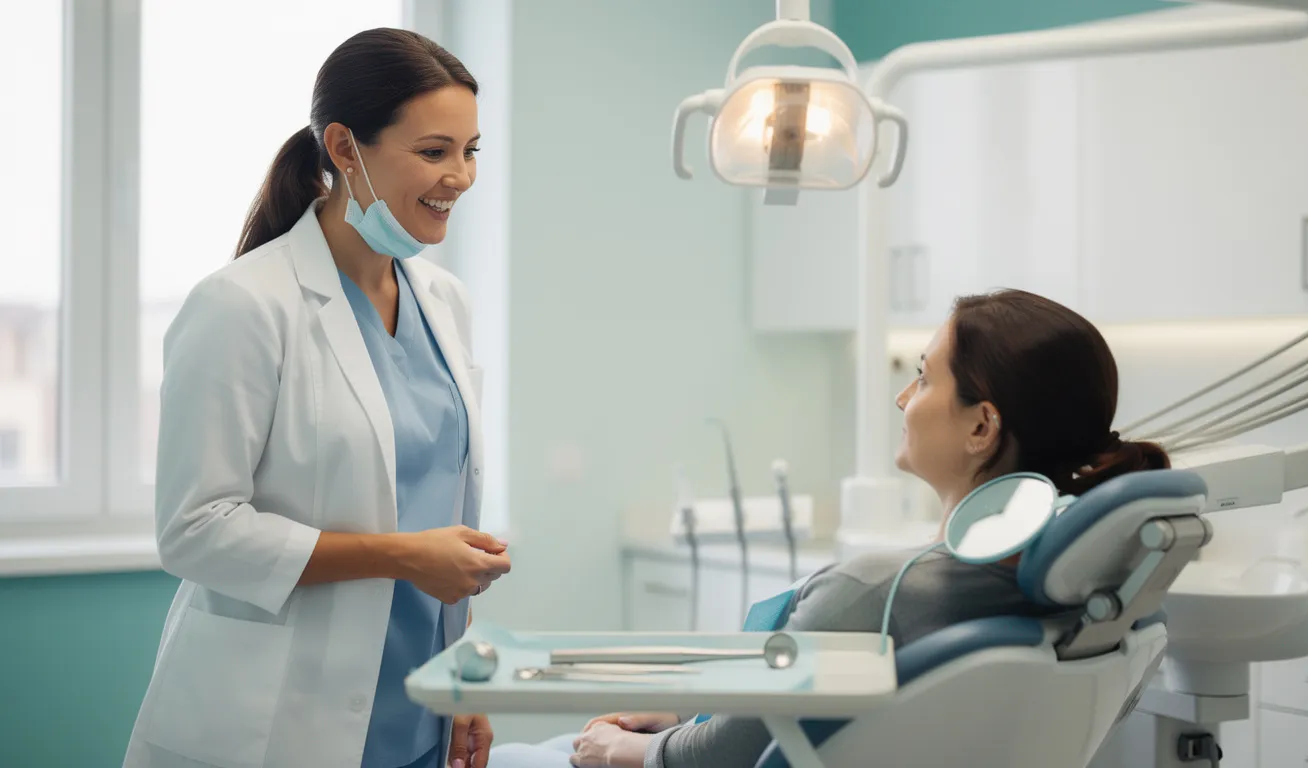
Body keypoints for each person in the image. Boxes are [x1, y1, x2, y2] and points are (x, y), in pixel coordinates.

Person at [489, 289, 1170, 768]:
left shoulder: (875, 591)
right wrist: (676, 717)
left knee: (514, 757)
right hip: (715, 734)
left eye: (924, 378)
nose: (904, 398)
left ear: (981, 425)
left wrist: (626, 750)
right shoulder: (1068, 600)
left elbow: (723, 756)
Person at [123, 28, 510, 768]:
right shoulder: (242, 306)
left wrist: (465, 680)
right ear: (343, 147)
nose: (459, 177)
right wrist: (400, 557)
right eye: (434, 152)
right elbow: (194, 530)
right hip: (277, 722)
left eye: (471, 151)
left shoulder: (444, 300)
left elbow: (442, 520)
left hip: (421, 709)